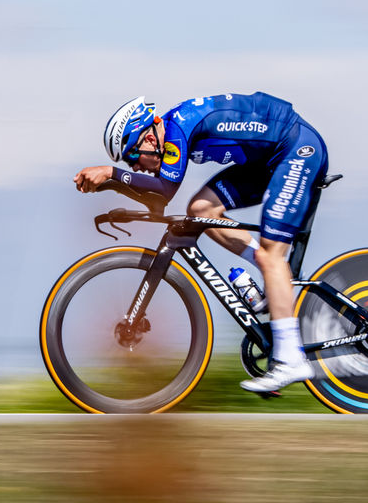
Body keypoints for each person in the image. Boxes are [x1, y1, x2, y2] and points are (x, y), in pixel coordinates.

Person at [73, 92, 328, 393]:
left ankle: (290, 359)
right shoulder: (171, 134)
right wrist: (113, 187)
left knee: (273, 256)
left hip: (296, 148)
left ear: (149, 140)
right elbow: (157, 202)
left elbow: (164, 189)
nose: (135, 167)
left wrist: (111, 174)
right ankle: (273, 277)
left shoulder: (178, 129)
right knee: (201, 210)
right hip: (267, 160)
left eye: (131, 156)